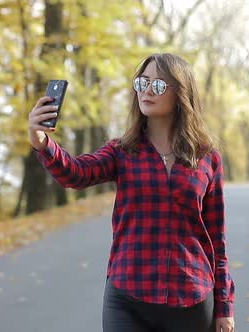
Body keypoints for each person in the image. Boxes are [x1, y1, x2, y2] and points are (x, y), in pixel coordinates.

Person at [28, 53, 235, 332]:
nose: (147, 91)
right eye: (143, 82)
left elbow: (216, 240)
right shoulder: (122, 151)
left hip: (190, 299)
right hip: (128, 296)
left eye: (159, 86)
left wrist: (224, 307)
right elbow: (75, 174)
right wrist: (42, 142)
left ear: (180, 95)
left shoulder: (207, 158)